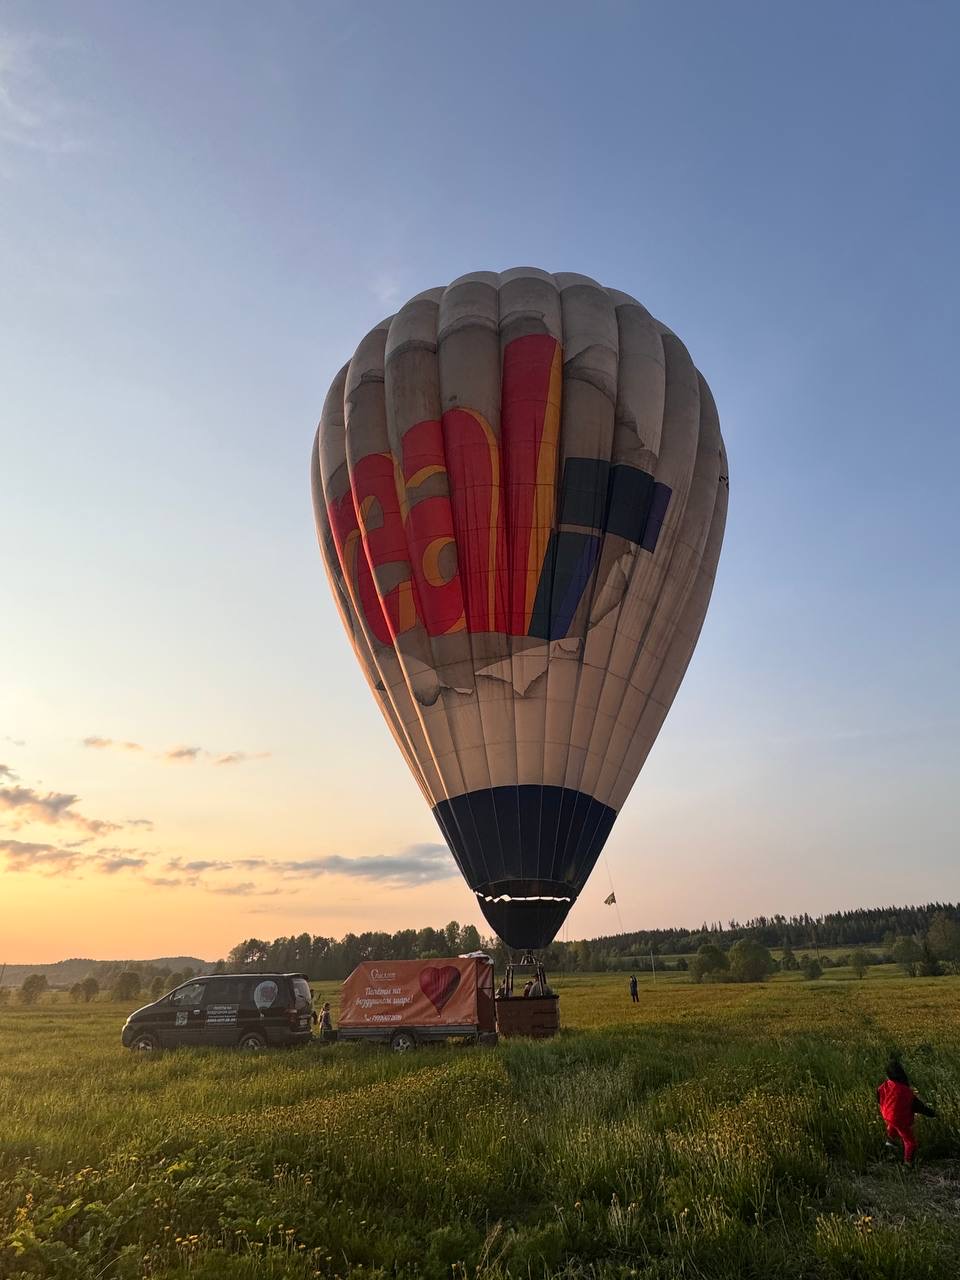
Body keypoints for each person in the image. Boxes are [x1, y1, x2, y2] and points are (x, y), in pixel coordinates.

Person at [876, 1057, 935, 1166]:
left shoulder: (884, 1085)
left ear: (888, 1075)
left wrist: (886, 1108)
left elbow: (878, 1096)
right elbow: (919, 1107)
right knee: (910, 1142)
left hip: (886, 1114)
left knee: (892, 1126)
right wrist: (932, 1113)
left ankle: (889, 1150)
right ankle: (908, 1164)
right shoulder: (905, 1092)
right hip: (898, 1119)